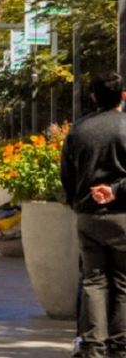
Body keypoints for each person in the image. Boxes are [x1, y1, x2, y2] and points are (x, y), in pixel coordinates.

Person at [60, 71, 126, 358]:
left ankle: (94, 346)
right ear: (123, 96)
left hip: (88, 215)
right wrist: (115, 191)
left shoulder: (78, 130)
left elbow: (67, 176)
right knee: (123, 281)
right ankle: (121, 345)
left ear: (93, 97)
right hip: (123, 215)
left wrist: (80, 201)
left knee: (93, 280)